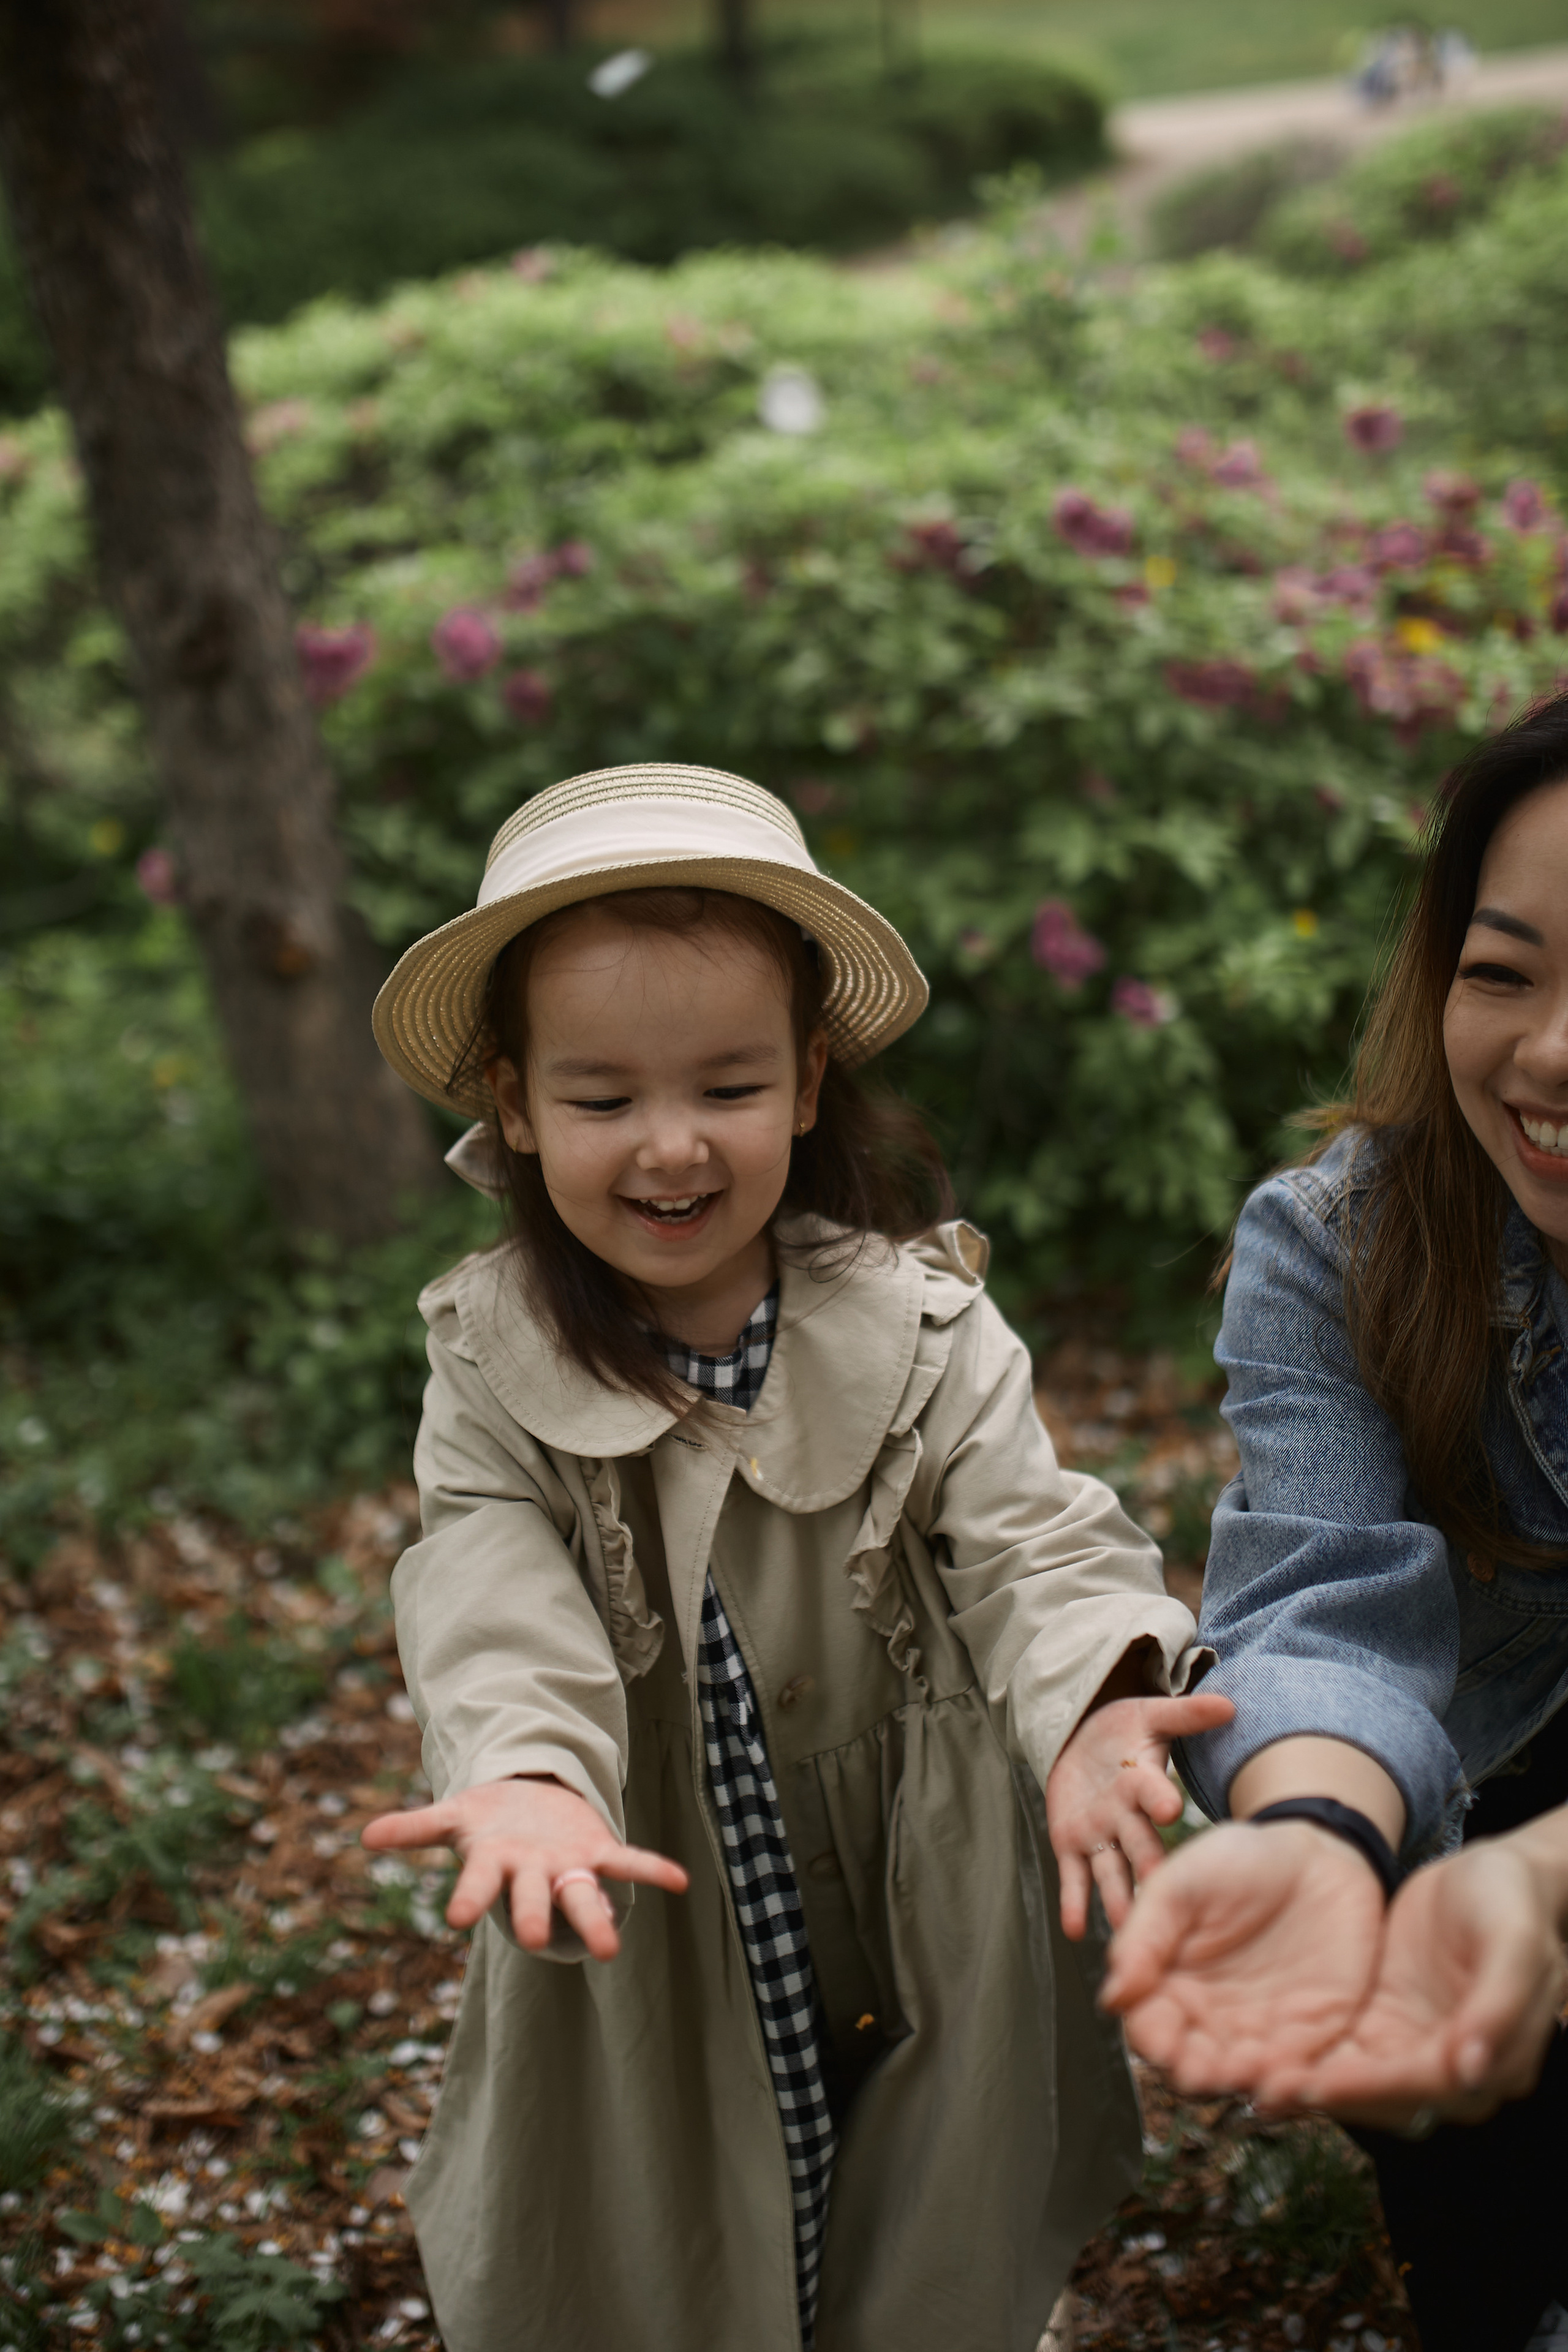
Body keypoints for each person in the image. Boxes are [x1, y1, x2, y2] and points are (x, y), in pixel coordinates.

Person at [358, 763, 1227, 2352]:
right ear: (515, 1102)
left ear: (809, 1082)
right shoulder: (491, 1361)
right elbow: (491, 1581)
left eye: (728, 1086)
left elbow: (1034, 1541)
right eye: (603, 1100)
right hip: (659, 1882)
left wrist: (1097, 1701)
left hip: (927, 1871)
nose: (671, 1147)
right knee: (672, 2235)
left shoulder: (925, 1329)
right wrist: (533, 1772)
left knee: (934, 2223)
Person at [1101, 696, 1568, 2352]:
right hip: (1454, 1798)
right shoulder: (1343, 1241)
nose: (1550, 1054)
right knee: (1481, 2221)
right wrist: (1316, 1839)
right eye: (1503, 972)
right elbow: (1322, 1596)